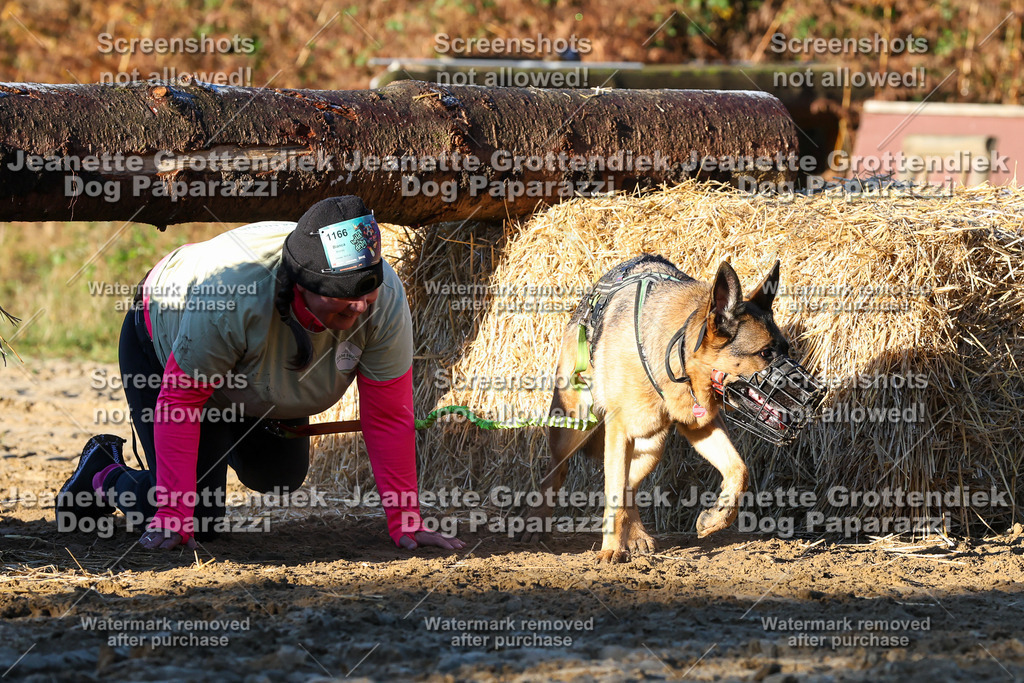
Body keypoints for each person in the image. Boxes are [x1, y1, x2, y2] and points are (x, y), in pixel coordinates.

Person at [56, 196, 465, 552]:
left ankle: (220, 442)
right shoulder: (233, 297)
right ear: (302, 285)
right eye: (344, 293)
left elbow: (388, 415)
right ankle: (104, 472)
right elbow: (180, 402)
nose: (360, 306)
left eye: (368, 288)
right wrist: (172, 512)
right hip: (165, 342)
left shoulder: (386, 302)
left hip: (253, 379)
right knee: (197, 517)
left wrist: (405, 519)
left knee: (278, 475)